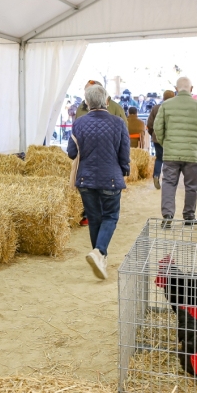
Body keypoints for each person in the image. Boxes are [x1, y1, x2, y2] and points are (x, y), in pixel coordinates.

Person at [67, 84, 130, 280]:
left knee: (94, 218)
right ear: (106, 101)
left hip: (85, 179)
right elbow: (124, 153)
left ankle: (99, 256)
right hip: (111, 177)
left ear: (87, 102)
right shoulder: (118, 123)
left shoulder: (78, 124)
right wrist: (125, 170)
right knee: (110, 216)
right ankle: (99, 251)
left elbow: (71, 152)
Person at [154, 77, 197, 227]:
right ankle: (189, 216)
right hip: (192, 154)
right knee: (192, 185)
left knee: (168, 183)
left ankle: (168, 215)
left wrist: (165, 142)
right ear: (191, 89)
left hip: (171, 153)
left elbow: (157, 128)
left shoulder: (166, 105)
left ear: (176, 89)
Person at [147, 90, 174, 190]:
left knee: (159, 158)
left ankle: (156, 175)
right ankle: (168, 179)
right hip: (171, 138)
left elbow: (149, 124)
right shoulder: (175, 108)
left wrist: (153, 134)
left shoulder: (155, 108)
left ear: (163, 97)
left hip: (157, 137)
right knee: (170, 159)